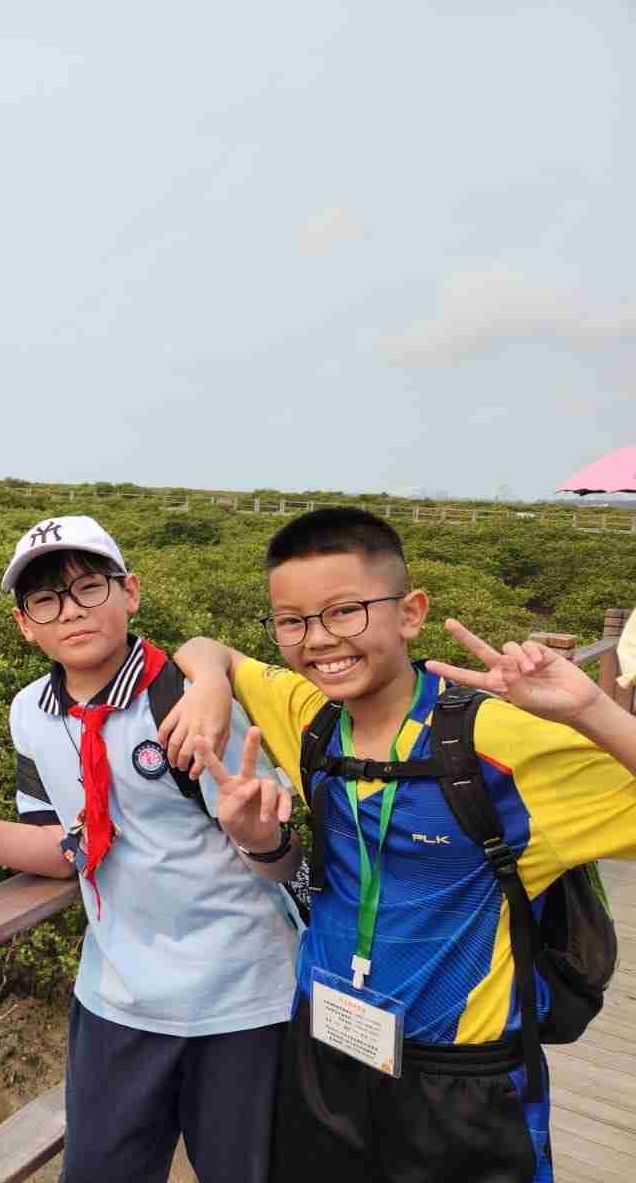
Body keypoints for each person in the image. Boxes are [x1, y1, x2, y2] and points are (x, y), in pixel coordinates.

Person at [173, 507, 636, 1183]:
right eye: (292, 621)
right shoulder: (311, 715)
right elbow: (204, 647)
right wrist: (212, 685)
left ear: (410, 613)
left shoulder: (498, 742)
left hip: (460, 1079)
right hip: (324, 1051)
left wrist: (591, 710)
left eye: (345, 612)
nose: (319, 640)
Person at [0, 516, 303, 1183]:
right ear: (24, 625)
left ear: (130, 592)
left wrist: (258, 835)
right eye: (46, 600)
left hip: (241, 999)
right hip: (116, 999)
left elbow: (284, 863)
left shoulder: (188, 699)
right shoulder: (30, 713)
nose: (70, 611)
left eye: (89, 587)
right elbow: (65, 847)